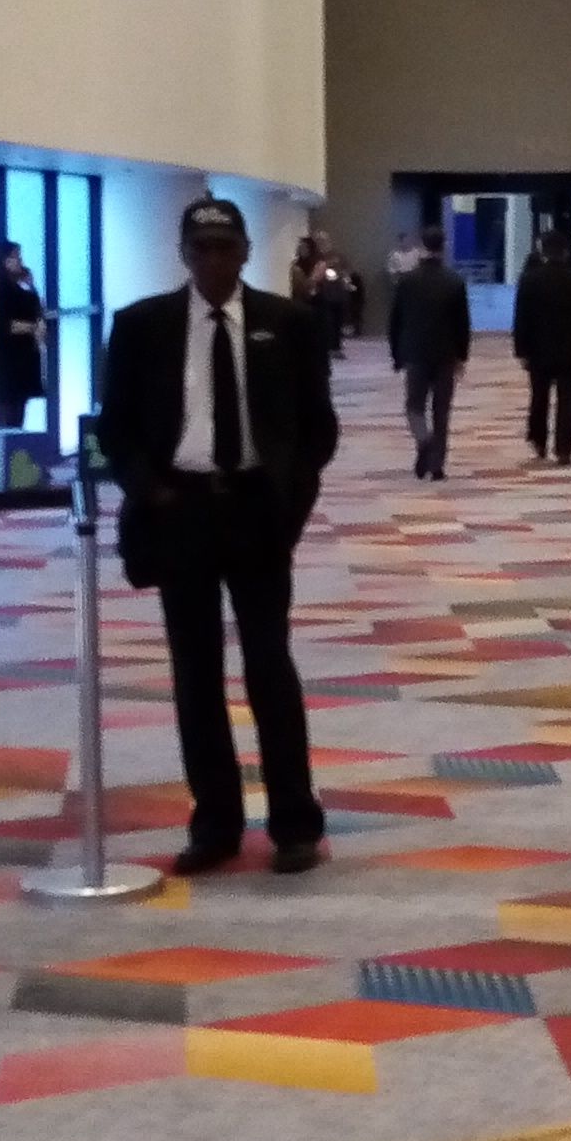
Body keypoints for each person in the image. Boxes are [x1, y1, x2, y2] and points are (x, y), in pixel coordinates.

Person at [97, 197, 337, 876]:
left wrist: (291, 504)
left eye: (225, 247)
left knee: (269, 666)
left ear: (245, 251)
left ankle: (294, 823)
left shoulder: (287, 323)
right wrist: (152, 492)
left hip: (259, 512)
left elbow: (317, 428)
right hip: (181, 512)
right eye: (200, 248)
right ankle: (216, 824)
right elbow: (116, 428)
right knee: (195, 673)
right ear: (183, 254)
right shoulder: (141, 326)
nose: (213, 260)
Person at [388, 220, 471, 480]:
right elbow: (462, 323)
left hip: (415, 352)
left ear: (422, 246)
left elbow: (395, 321)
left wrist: (396, 354)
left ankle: (423, 440)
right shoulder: (454, 281)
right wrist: (461, 355)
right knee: (441, 410)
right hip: (445, 353)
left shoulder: (407, 281)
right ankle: (437, 465)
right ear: (443, 247)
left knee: (414, 406)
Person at [513, 223, 571, 463]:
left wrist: (521, 350)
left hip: (538, 351)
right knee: (569, 401)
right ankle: (564, 448)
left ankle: (539, 440)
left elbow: (521, 318)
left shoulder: (530, 280)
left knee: (539, 397)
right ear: (566, 252)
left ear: (542, 251)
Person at [0, 240, 49, 438]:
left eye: (19, 257)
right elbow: (5, 324)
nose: (19, 261)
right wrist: (33, 328)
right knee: (6, 416)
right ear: (3, 260)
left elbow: (38, 308)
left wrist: (32, 286)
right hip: (6, 358)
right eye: (14, 257)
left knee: (19, 414)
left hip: (24, 355)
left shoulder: (22, 286)